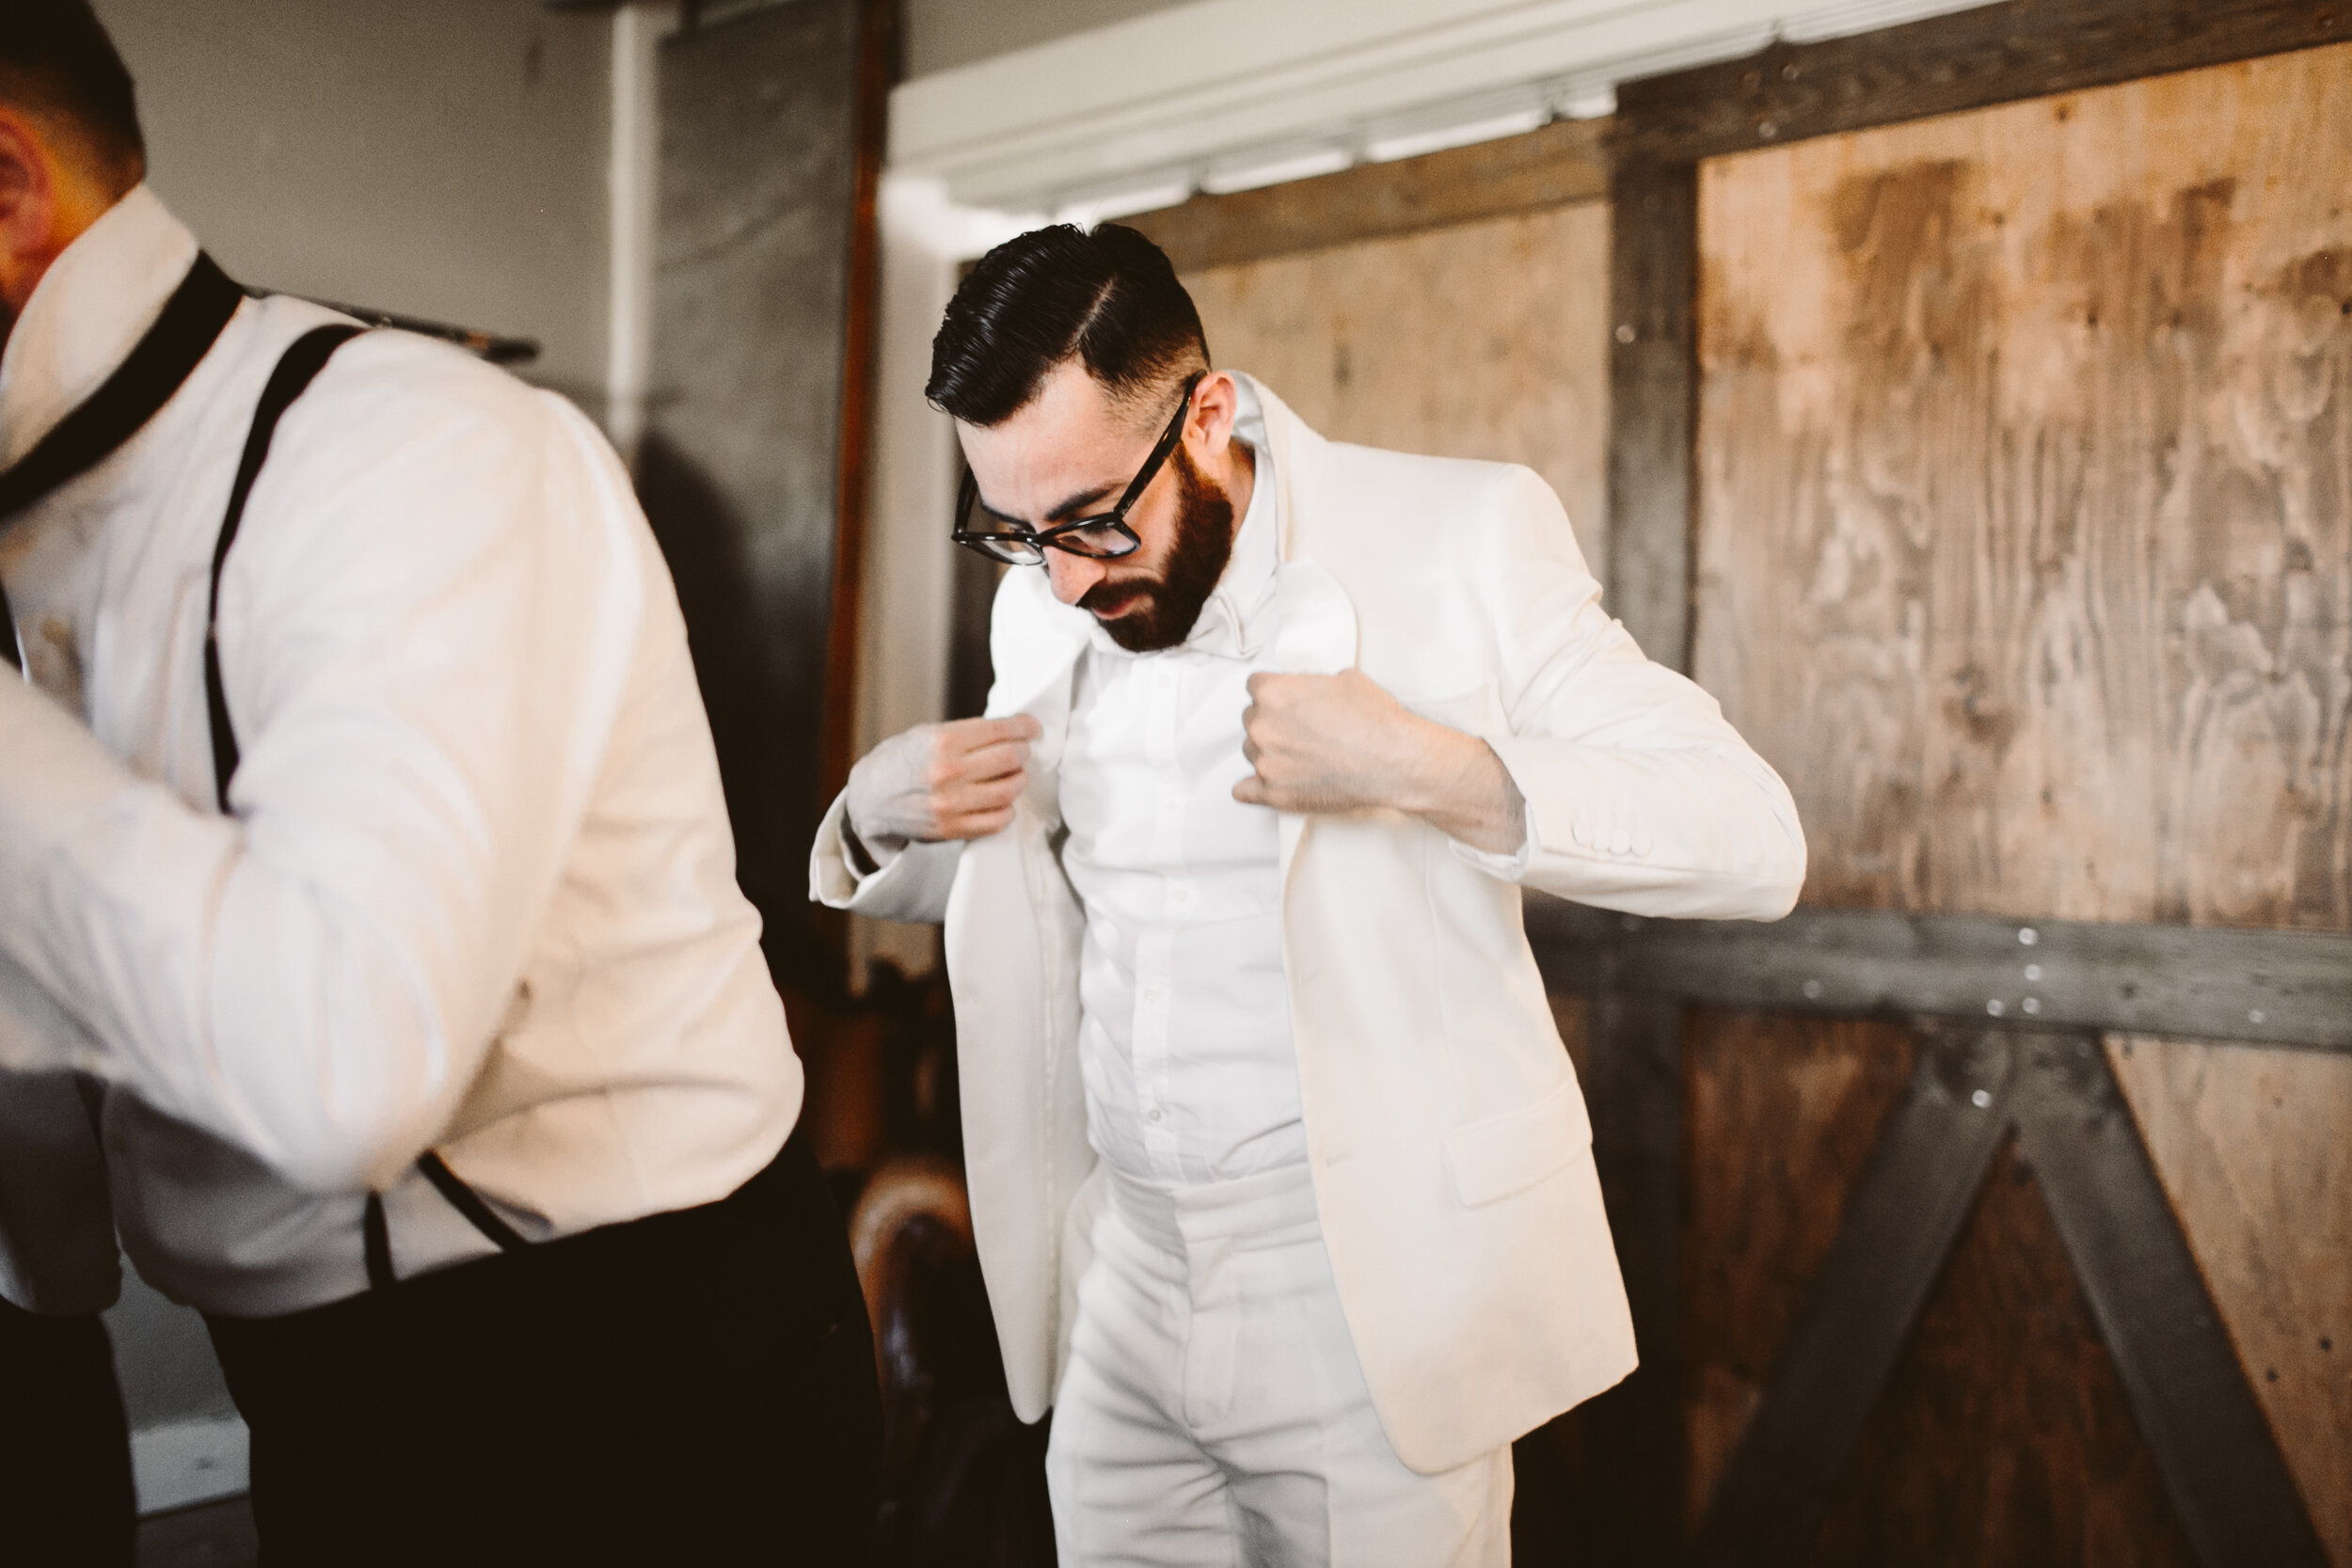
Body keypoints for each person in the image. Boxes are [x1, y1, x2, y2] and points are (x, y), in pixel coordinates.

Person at [0, 6, 878, 1562]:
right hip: (313, 1388)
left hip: (632, 1375)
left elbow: (345, 1066)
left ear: (8, 188)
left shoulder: (412, 455)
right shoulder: (40, 529)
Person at [814, 222, 1807, 1564]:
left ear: (1206, 413)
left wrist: (1427, 765)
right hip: (1123, 1278)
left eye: (1098, 520)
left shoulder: (1460, 531)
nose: (1065, 577)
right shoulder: (1049, 600)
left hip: (1362, 1302)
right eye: (1018, 532)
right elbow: (1030, 884)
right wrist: (875, 816)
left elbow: (1750, 837)